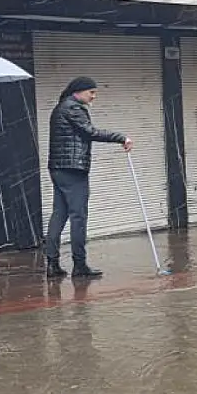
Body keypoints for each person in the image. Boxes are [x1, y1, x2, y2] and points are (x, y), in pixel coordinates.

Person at [45, 77, 133, 279]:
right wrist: (121, 137)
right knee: (78, 217)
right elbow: (90, 132)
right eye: (91, 92)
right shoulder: (73, 108)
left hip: (58, 169)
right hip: (73, 170)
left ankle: (52, 263)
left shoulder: (61, 108)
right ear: (78, 92)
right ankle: (79, 264)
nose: (94, 96)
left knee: (59, 214)